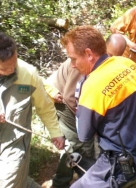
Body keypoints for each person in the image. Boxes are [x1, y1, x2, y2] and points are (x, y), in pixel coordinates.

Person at [60, 25, 136, 188]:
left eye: (73, 58)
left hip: (120, 161)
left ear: (88, 54)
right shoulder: (128, 64)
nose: (72, 65)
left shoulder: (92, 85)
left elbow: (84, 135)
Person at [42, 33, 127, 188]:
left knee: (78, 145)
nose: (112, 61)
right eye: (111, 55)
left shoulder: (103, 64)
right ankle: (64, 182)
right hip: (62, 101)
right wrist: (88, 122)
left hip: (73, 100)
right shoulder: (82, 65)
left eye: (117, 57)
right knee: (81, 144)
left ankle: (70, 178)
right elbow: (70, 97)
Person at [0, 32, 65, 188]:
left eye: (14, 63)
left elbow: (45, 106)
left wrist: (56, 132)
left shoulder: (28, 73)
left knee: (7, 183)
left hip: (14, 142)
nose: (12, 69)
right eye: (5, 68)